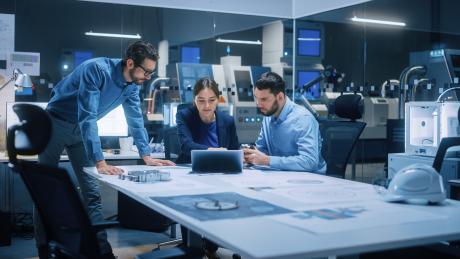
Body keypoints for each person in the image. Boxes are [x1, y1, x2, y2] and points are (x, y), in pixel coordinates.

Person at [35, 40, 175, 259]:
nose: (148, 78)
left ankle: (101, 252)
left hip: (80, 133)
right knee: (45, 191)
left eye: (151, 73)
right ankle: (44, 249)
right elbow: (88, 117)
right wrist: (100, 161)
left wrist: (146, 155)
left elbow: (135, 120)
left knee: (92, 193)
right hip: (55, 123)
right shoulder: (96, 70)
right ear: (130, 63)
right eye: (146, 72)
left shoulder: (131, 86)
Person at [243, 72, 326, 173]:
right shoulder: (269, 115)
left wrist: (267, 160)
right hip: (280, 175)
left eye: (264, 99)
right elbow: (262, 150)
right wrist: (249, 155)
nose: (258, 104)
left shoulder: (303, 119)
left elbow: (309, 161)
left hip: (310, 179)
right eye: (257, 98)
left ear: (280, 97)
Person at [176, 77, 239, 163]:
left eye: (211, 100)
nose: (207, 106)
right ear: (194, 100)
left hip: (221, 170)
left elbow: (234, 151)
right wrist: (211, 151)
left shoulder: (228, 121)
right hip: (191, 167)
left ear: (218, 100)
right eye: (201, 101)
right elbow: (186, 145)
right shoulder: (184, 116)